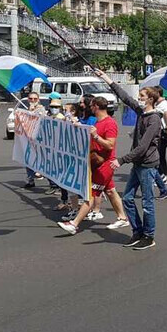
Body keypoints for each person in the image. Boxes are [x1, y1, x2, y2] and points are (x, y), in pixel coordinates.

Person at [97, 71, 163, 250]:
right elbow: (125, 97)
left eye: (142, 96)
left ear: (150, 99)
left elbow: (142, 147)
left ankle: (149, 237)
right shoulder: (141, 112)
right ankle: (138, 232)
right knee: (127, 198)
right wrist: (106, 78)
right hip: (138, 164)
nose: (139, 98)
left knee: (147, 202)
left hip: (147, 165)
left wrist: (121, 160)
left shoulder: (154, 120)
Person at [58, 96, 130, 234]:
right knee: (110, 191)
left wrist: (96, 136)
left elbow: (110, 145)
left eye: (91, 106)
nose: (89, 108)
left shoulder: (109, 123)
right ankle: (122, 218)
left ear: (96, 106)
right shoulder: (98, 122)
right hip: (98, 163)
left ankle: (74, 224)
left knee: (91, 194)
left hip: (105, 164)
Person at [20, 91, 47, 189]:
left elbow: (39, 120)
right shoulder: (26, 109)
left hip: (38, 138)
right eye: (31, 99)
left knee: (40, 158)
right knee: (28, 159)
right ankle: (30, 180)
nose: (33, 100)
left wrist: (31, 112)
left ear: (38, 100)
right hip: (28, 138)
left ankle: (49, 180)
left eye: (35, 99)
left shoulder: (41, 109)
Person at [154, 90, 167, 199]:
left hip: (164, 133)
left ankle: (161, 176)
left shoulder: (165, 104)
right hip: (158, 133)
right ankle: (162, 175)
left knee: (158, 155)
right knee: (160, 155)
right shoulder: (157, 104)